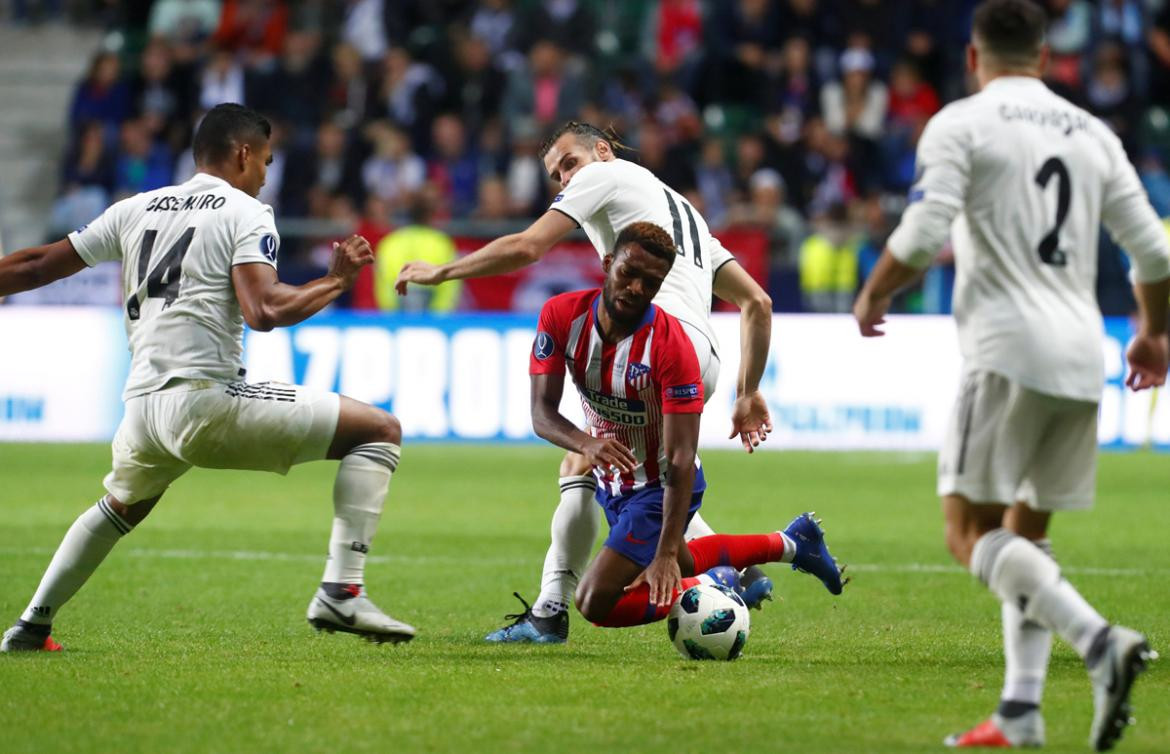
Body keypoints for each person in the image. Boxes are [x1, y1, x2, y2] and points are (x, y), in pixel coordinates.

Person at [852, 2, 1169, 750]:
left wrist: (874, 291)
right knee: (1027, 531)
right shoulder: (1095, 133)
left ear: (972, 57)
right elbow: (1153, 254)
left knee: (969, 534)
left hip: (1003, 349)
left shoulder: (961, 123)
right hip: (1080, 353)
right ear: (1047, 56)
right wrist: (1154, 332)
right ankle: (1020, 712)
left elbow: (925, 232)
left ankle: (1100, 643)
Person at [0, 103, 415, 652]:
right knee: (379, 430)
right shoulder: (244, 211)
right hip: (203, 400)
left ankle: (31, 626)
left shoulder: (135, 208)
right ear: (243, 154)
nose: (267, 174)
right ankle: (342, 590)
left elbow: (33, 265)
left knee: (122, 505)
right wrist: (335, 281)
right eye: (265, 161)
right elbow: (264, 310)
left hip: (143, 409)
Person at [396, 121, 779, 644]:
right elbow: (758, 302)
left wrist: (443, 272)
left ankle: (553, 611)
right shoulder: (679, 216)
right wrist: (745, 390)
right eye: (556, 175)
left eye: (569, 162)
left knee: (586, 458)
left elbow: (531, 247)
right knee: (637, 474)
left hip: (651, 345)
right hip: (700, 355)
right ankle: (736, 570)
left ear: (602, 150)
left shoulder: (609, 174)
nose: (564, 179)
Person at [528, 221, 844, 631]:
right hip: (615, 476)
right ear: (608, 263)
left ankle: (716, 589)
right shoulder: (561, 316)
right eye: (629, 273)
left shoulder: (671, 347)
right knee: (686, 558)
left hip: (659, 487)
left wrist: (661, 557)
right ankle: (790, 543)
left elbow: (680, 458)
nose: (637, 288)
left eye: (651, 282)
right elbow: (541, 413)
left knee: (595, 601)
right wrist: (586, 444)